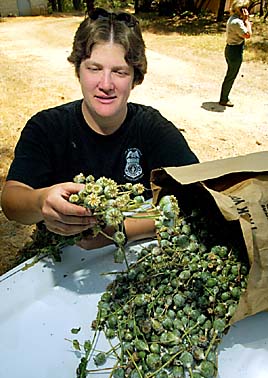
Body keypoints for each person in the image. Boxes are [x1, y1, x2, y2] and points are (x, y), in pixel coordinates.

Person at [1, 7, 198, 251]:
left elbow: (199, 197)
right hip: (57, 257)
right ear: (78, 70)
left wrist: (120, 231)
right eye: (94, 68)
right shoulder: (47, 127)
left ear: (135, 77)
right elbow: (11, 201)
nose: (106, 84)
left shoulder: (152, 128)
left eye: (119, 72)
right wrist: (41, 201)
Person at [219, 0, 252, 107]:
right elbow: (248, 34)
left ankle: (224, 97)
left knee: (230, 74)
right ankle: (224, 99)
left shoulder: (233, 19)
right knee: (231, 75)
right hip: (235, 51)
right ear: (241, 10)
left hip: (231, 49)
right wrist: (247, 21)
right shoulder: (237, 22)